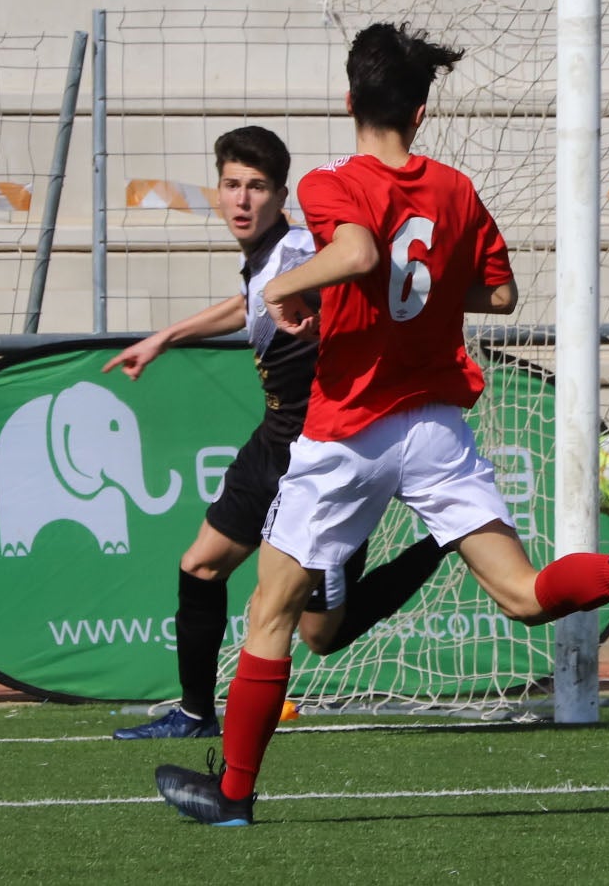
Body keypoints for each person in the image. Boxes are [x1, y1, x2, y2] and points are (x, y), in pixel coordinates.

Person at [154, 23, 609, 825]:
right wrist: (410, 300)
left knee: (272, 610)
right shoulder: (454, 190)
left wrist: (295, 291)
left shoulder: (332, 181)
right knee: (524, 594)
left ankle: (234, 794)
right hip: (436, 425)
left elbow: (354, 253)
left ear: (350, 99)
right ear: (420, 113)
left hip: (349, 425)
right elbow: (500, 296)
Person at [105, 125, 449, 741]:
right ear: (216, 192)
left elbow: (354, 281)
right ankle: (193, 713)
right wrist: (164, 337)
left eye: (257, 187)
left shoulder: (300, 253)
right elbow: (250, 303)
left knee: (320, 634)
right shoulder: (265, 260)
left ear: (281, 194)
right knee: (201, 566)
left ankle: (443, 542)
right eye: (231, 185)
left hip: (321, 451)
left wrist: (332, 322)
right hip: (274, 435)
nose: (242, 200)